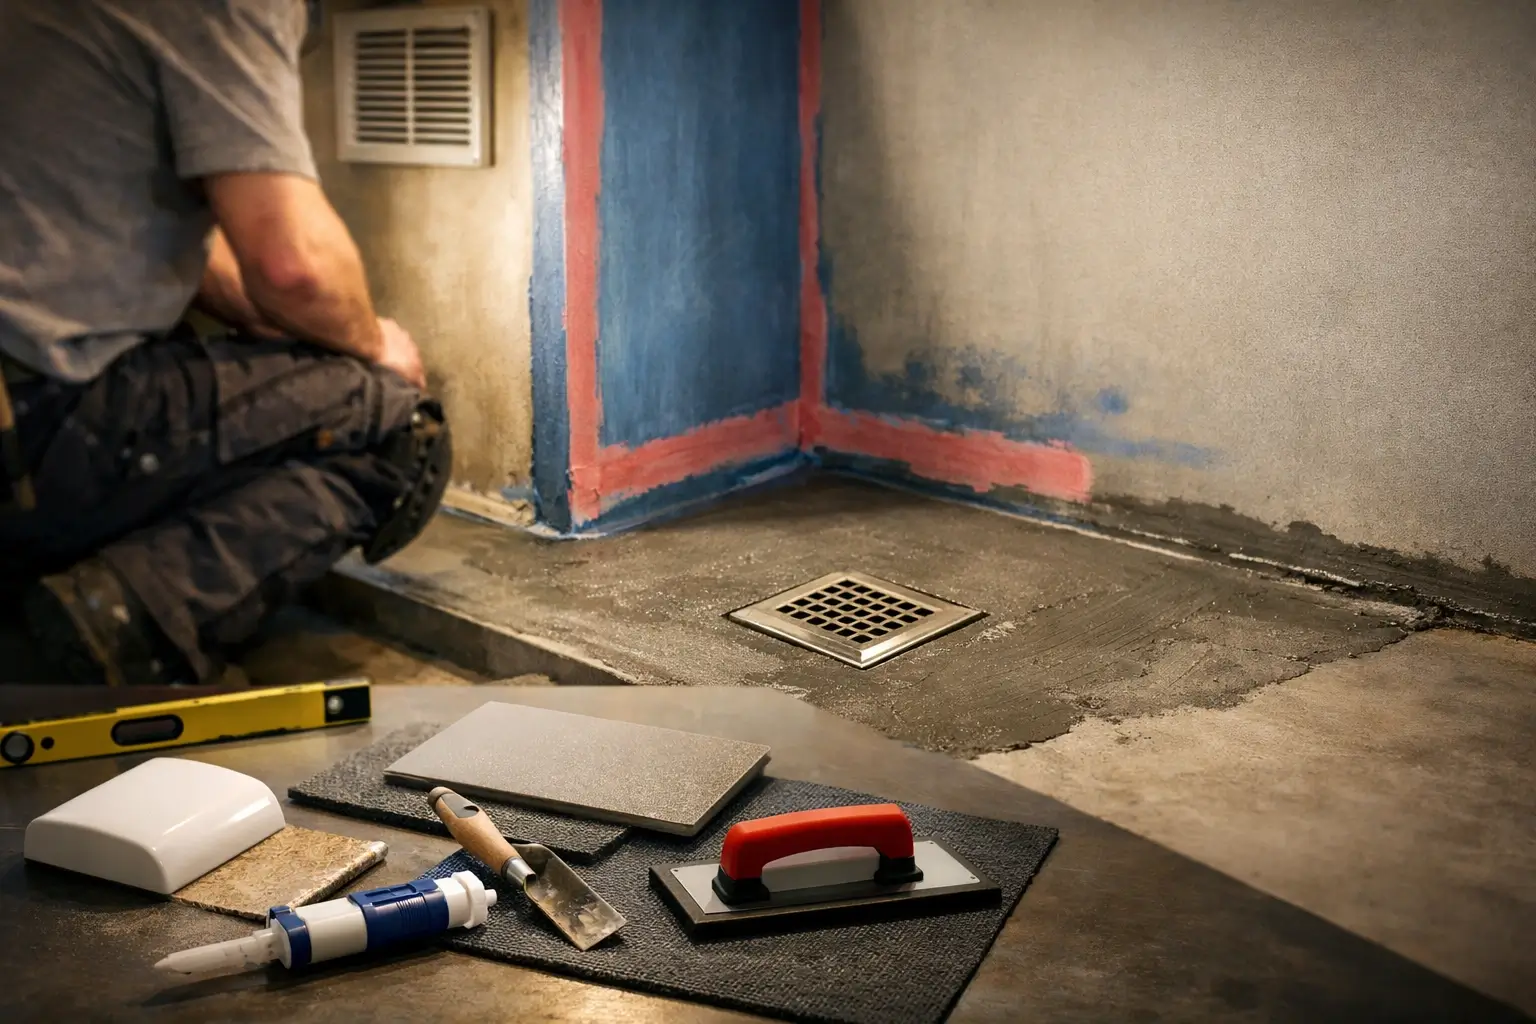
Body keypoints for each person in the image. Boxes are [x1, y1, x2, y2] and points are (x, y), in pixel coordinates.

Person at [0, 0, 452, 687]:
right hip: (30, 417)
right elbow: (290, 265)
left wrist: (281, 325)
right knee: (394, 422)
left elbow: (193, 244)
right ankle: (89, 634)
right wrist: (372, 345)